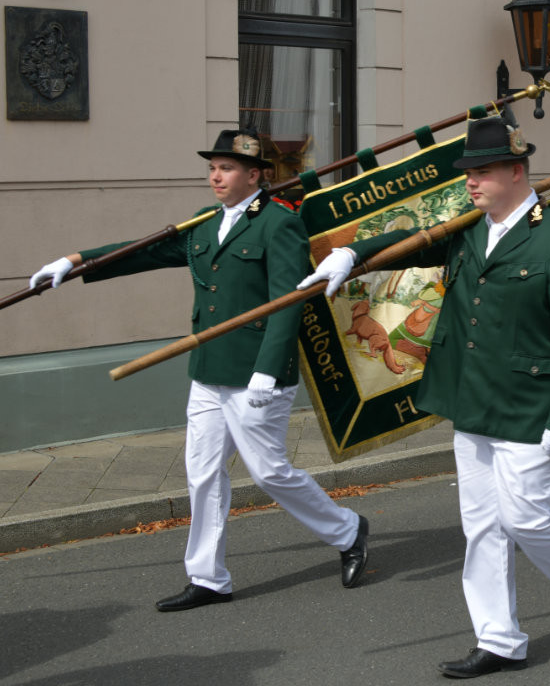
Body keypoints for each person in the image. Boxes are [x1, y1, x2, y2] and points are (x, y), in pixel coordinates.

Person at [300, 113, 550, 678]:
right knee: (481, 525)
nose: (471, 181)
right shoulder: (471, 228)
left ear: (517, 171)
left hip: (530, 405)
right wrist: (353, 254)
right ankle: (499, 639)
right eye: (468, 172)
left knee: (525, 517)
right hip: (471, 398)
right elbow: (410, 244)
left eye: (483, 171)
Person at [28, 128, 369, 611]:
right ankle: (208, 578)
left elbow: (288, 301)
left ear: (256, 175)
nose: (215, 175)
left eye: (226, 168)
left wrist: (268, 371)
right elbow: (145, 250)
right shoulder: (204, 223)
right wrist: (78, 261)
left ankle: (348, 529)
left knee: (269, 472)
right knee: (203, 474)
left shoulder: (278, 224)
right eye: (212, 167)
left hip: (256, 373)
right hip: (209, 370)